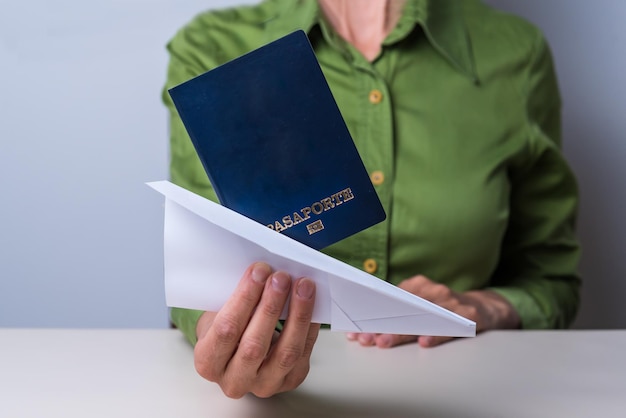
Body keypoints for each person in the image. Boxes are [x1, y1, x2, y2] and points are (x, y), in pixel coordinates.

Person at [162, 0, 581, 398]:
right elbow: (200, 276)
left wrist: (479, 307)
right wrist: (224, 334)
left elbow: (551, 283)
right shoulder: (211, 46)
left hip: (458, 394)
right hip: (282, 405)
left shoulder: (516, 54)